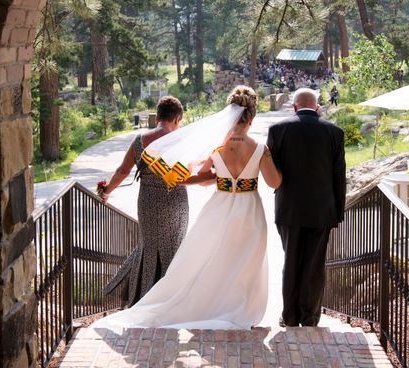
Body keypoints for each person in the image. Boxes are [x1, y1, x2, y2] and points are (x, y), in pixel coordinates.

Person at [94, 86, 282, 330]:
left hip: (220, 205)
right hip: (249, 209)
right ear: (252, 117)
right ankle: (238, 308)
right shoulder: (260, 149)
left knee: (215, 257)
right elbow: (274, 182)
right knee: (246, 259)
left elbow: (200, 177)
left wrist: (221, 177)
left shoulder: (217, 148)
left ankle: (211, 304)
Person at [266, 88, 346, 327]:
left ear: (294, 107)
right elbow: (338, 176)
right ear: (317, 106)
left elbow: (273, 173)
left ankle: (289, 316)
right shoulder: (334, 132)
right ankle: (309, 316)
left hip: (288, 209)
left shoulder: (278, 130)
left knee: (291, 261)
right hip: (322, 211)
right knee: (314, 264)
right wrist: (337, 212)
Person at [100, 96, 189, 307]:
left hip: (148, 200)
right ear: (177, 118)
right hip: (175, 201)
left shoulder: (140, 140)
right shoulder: (178, 141)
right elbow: (186, 175)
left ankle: (143, 299)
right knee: (173, 248)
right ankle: (170, 300)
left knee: (149, 246)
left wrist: (106, 191)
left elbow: (123, 171)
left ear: (157, 116)